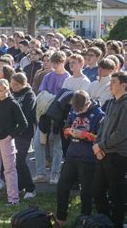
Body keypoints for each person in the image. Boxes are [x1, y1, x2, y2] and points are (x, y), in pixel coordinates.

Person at [56, 90, 104, 227]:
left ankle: (85, 220)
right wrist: (69, 132)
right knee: (62, 187)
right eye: (76, 109)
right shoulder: (73, 110)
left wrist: (85, 135)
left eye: (81, 109)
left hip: (88, 159)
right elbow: (65, 129)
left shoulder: (99, 115)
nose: (78, 112)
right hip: (72, 155)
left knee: (86, 192)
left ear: (88, 102)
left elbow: (101, 138)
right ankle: (60, 218)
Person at [92, 72, 127, 228]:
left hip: (117, 155)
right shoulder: (112, 102)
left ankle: (117, 223)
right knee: (97, 191)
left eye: (113, 82)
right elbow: (102, 126)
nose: (110, 85)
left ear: (124, 85)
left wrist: (101, 146)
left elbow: (121, 133)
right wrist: (98, 145)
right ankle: (105, 222)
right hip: (103, 152)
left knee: (116, 194)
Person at [0, 79, 27, 205]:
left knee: (9, 169)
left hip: (6, 140)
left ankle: (13, 199)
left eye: (1, 90)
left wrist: (11, 136)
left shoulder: (13, 104)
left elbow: (23, 123)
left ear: (7, 89)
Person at [33, 51, 70, 184]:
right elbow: (42, 92)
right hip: (45, 115)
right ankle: (40, 173)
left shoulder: (68, 77)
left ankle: (55, 174)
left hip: (59, 116)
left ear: (63, 62)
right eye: (53, 62)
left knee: (57, 145)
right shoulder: (48, 76)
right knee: (38, 143)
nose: (55, 65)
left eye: (58, 62)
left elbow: (66, 97)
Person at [10, 73, 37, 199]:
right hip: (12, 131)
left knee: (20, 160)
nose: (13, 86)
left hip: (24, 132)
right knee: (14, 161)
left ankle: (31, 188)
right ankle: (20, 186)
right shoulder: (13, 94)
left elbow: (25, 113)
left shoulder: (29, 95)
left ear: (23, 84)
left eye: (16, 84)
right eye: (12, 84)